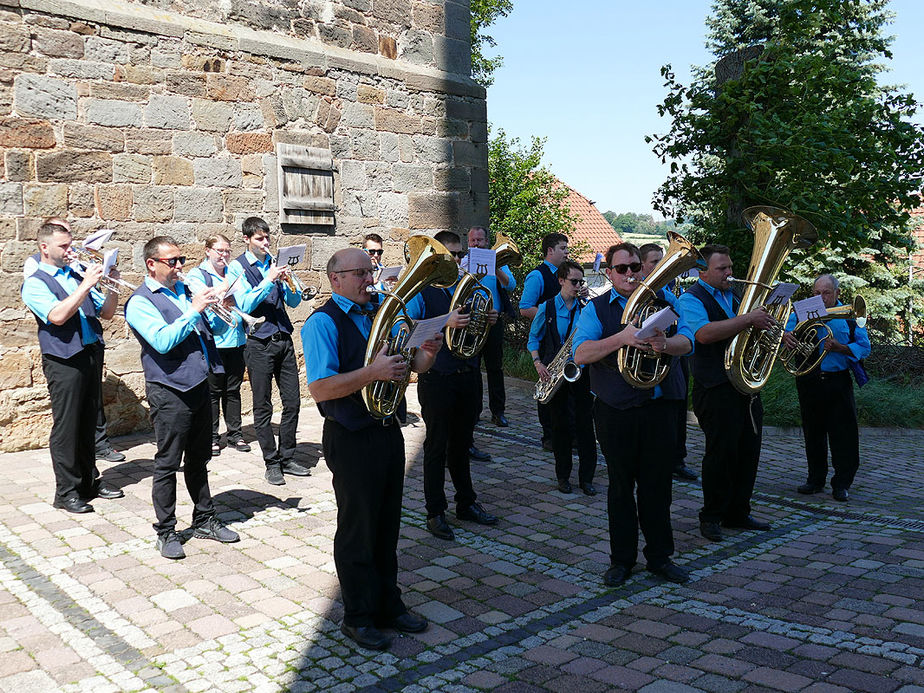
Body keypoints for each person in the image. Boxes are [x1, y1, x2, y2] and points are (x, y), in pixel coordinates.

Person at [302, 247, 442, 651]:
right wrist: (372, 373)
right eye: (360, 273)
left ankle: (389, 604)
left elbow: (414, 367)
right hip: (350, 436)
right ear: (336, 279)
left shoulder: (385, 311)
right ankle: (358, 616)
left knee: (387, 524)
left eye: (371, 271)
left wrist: (427, 353)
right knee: (358, 529)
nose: (369, 279)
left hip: (386, 430)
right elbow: (321, 388)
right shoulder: (321, 323)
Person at [574, 243, 693, 586]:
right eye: (621, 268)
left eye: (634, 267)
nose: (629, 274)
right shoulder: (596, 309)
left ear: (642, 269)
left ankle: (660, 557)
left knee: (659, 487)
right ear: (608, 273)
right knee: (621, 487)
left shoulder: (666, 303)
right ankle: (621, 560)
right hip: (616, 410)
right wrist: (623, 338)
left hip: (660, 408)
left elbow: (689, 341)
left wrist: (665, 345)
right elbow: (581, 353)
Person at [125, 236, 239, 559]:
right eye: (172, 262)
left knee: (200, 458)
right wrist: (193, 310)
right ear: (152, 264)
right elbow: (162, 341)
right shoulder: (140, 302)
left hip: (200, 384)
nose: (179, 267)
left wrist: (219, 309)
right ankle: (165, 530)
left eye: (181, 260)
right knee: (167, 462)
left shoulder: (185, 291)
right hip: (170, 390)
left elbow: (206, 332)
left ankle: (204, 518)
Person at [22, 221, 124, 514]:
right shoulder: (36, 282)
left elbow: (106, 313)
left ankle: (89, 480)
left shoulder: (75, 274)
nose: (70, 251)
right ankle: (65, 491)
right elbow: (57, 316)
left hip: (89, 353)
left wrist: (112, 286)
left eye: (71, 245)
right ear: (45, 248)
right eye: (63, 246)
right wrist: (85, 285)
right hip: (63, 359)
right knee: (67, 427)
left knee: (88, 422)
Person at [405, 231, 500, 542]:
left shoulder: (466, 287)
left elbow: (473, 326)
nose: (459, 261)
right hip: (438, 378)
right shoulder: (422, 290)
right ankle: (435, 511)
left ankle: (466, 502)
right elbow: (409, 331)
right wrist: (446, 322)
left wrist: (485, 318)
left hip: (467, 374)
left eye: (461, 255)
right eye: (453, 255)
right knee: (435, 446)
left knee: (462, 444)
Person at [677, 244, 775, 543]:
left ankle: (738, 512)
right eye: (722, 269)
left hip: (744, 387)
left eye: (730, 267)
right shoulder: (690, 299)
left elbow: (744, 332)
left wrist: (770, 329)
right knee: (720, 454)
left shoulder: (733, 297)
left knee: (748, 451)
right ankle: (711, 515)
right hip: (715, 387)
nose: (730, 273)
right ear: (702, 272)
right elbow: (703, 334)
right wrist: (748, 319)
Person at [226, 217, 309, 486]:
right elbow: (245, 303)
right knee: (262, 406)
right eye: (260, 239)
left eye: (267, 237)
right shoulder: (236, 268)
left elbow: (295, 302)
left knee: (293, 402)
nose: (265, 243)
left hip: (283, 338)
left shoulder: (273, 264)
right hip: (258, 343)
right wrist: (268, 279)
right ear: (247, 240)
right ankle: (271, 462)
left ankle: (288, 457)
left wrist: (286, 281)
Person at [783, 274, 871, 502]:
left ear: (837, 294)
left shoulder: (851, 316)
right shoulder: (803, 311)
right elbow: (787, 332)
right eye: (816, 293)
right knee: (813, 431)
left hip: (837, 380)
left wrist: (840, 347)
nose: (820, 298)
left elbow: (864, 346)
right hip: (809, 379)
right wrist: (787, 336)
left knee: (844, 434)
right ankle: (815, 479)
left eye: (826, 293)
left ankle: (842, 483)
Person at [528, 260, 596, 495]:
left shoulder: (586, 308)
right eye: (573, 281)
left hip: (581, 373)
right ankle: (563, 477)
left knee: (586, 429)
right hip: (555, 375)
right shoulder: (546, 308)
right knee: (560, 428)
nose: (578, 286)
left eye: (581, 282)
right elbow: (533, 339)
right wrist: (538, 363)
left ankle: (586, 479)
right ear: (561, 281)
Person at [186, 234, 251, 456]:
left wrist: (235, 300)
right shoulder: (198, 274)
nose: (224, 255)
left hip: (236, 339)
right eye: (219, 251)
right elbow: (202, 301)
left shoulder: (232, 272)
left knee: (233, 390)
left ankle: (235, 434)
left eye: (227, 251)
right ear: (208, 251)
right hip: (213, 341)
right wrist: (224, 290)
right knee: (212, 392)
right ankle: (211, 437)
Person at [639, 242, 698, 483]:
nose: (660, 265)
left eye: (661, 260)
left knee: (677, 411)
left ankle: (677, 460)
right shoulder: (635, 295)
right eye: (655, 261)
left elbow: (687, 332)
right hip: (643, 366)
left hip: (671, 361)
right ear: (641, 266)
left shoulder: (669, 296)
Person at [519, 232, 570, 450]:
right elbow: (524, 308)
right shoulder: (537, 276)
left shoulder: (566, 274)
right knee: (547, 386)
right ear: (550, 251)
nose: (567, 252)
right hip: (546, 340)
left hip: (565, 340)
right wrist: (550, 314)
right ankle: (548, 435)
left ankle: (568, 434)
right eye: (563, 248)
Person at [467, 226, 517, 429]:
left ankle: (498, 412)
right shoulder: (463, 262)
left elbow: (510, 285)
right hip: (471, 322)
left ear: (487, 242)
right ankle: (474, 411)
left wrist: (494, 266)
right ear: (468, 242)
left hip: (492, 321)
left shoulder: (498, 261)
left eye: (480, 240)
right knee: (472, 369)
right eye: (472, 241)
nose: (476, 244)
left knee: (495, 368)